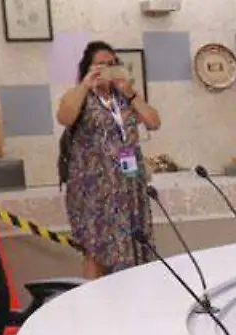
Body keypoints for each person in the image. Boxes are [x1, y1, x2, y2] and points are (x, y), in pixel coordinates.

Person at [56, 41, 161, 279]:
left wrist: (130, 92)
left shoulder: (124, 97)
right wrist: (85, 84)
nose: (107, 68)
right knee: (97, 249)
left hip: (128, 184)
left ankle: (131, 296)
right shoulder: (80, 96)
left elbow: (154, 122)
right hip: (93, 188)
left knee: (132, 245)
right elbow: (65, 117)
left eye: (112, 64)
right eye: (100, 64)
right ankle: (94, 300)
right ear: (88, 68)